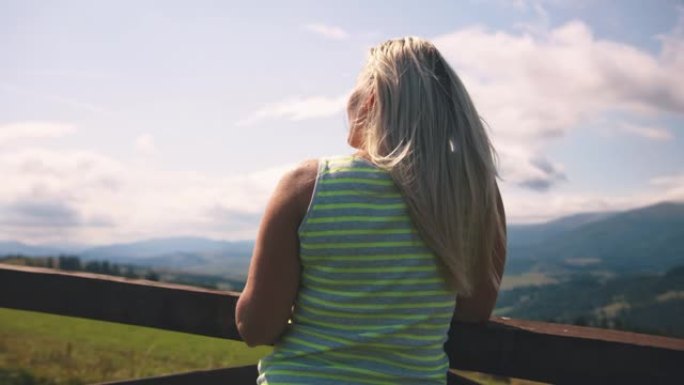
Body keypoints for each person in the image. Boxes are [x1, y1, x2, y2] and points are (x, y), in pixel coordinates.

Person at [236, 36, 507, 385]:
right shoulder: (474, 191)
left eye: (355, 87)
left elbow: (256, 327)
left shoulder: (306, 185)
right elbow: (474, 311)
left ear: (372, 99)